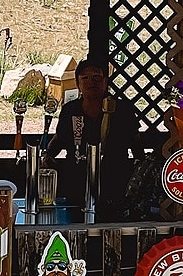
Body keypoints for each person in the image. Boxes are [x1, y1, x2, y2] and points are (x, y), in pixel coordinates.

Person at [48, 60, 141, 221]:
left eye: (97, 77)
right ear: (78, 84)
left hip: (115, 184)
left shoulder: (122, 110)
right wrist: (46, 156)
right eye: (85, 78)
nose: (91, 82)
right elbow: (59, 139)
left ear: (106, 82)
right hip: (76, 184)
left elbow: (136, 144)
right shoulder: (71, 110)